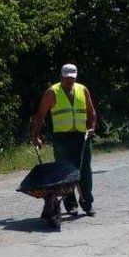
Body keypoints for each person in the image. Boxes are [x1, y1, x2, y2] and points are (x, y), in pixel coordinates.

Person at [31, 64, 97, 222]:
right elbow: (40, 115)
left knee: (84, 171)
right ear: (61, 77)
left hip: (82, 137)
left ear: (75, 77)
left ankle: (87, 204)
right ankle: (71, 205)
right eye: (67, 78)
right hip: (62, 139)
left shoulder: (82, 90)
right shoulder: (52, 92)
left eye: (72, 78)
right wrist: (36, 135)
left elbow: (91, 112)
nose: (69, 81)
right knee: (64, 173)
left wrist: (91, 127)